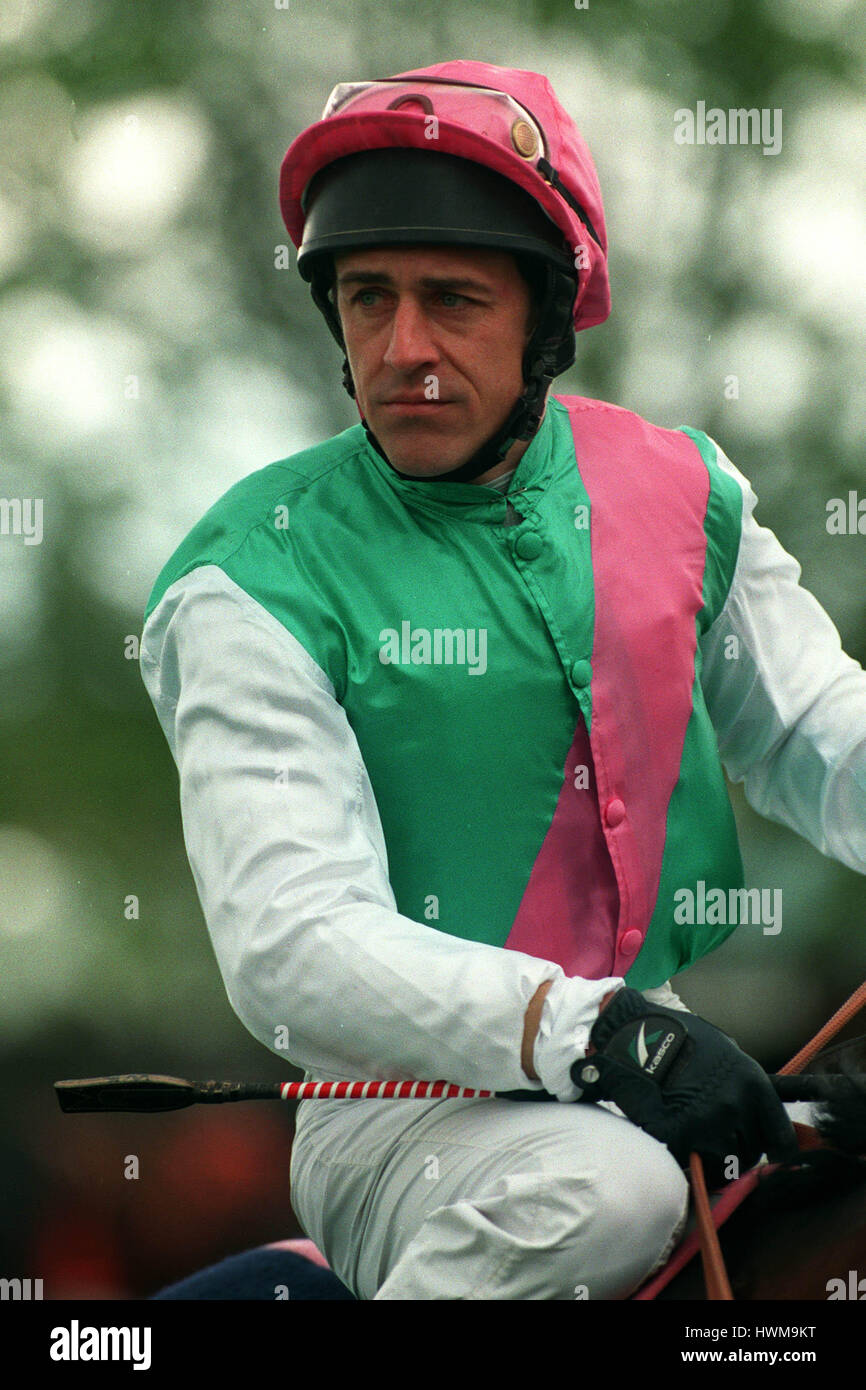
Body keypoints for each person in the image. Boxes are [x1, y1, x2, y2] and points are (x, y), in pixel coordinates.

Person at [140, 60, 866, 1300]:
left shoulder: (684, 490)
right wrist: (587, 1032)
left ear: (542, 316)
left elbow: (811, 731)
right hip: (401, 1119)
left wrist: (623, 1035)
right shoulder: (242, 578)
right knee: (609, 1188)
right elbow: (292, 943)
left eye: (452, 301)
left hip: (648, 1049)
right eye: (368, 300)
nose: (403, 348)